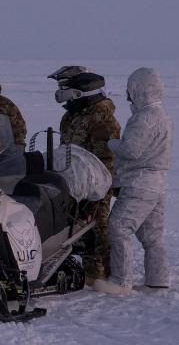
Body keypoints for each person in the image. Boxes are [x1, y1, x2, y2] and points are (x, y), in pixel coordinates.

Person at [93, 67, 173, 295]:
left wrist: (109, 141)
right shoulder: (163, 115)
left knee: (118, 227)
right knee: (152, 236)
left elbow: (131, 150)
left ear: (140, 90)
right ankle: (158, 280)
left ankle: (120, 281)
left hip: (140, 183)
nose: (128, 95)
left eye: (130, 91)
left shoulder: (144, 118)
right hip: (157, 183)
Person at [49, 65, 121, 284]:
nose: (61, 91)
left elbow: (106, 162)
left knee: (97, 226)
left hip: (96, 185)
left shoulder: (103, 120)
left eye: (64, 86)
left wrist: (95, 193)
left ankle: (101, 273)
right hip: (71, 181)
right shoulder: (71, 116)